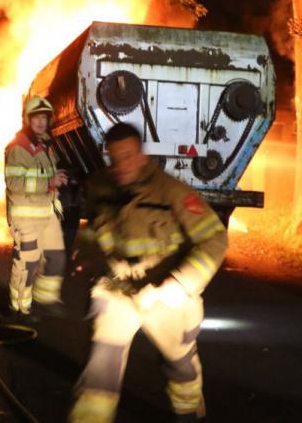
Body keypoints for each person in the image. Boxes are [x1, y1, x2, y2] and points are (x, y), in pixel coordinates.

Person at [69, 123, 227, 423]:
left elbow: (215, 239)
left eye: (128, 156)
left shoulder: (173, 192)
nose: (121, 165)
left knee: (180, 365)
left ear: (142, 156)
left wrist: (178, 285)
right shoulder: (102, 186)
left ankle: (188, 413)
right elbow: (94, 228)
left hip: (165, 293)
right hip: (119, 291)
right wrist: (86, 255)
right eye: (114, 158)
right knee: (102, 363)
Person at [4, 95, 68, 318]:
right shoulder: (17, 149)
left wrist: (56, 191)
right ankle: (19, 308)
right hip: (26, 216)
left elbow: (47, 178)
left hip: (46, 214)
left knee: (56, 256)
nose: (41, 122)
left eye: (44, 117)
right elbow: (14, 182)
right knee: (27, 265)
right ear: (26, 120)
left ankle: (45, 299)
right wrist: (49, 182)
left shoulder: (44, 145)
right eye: (36, 118)